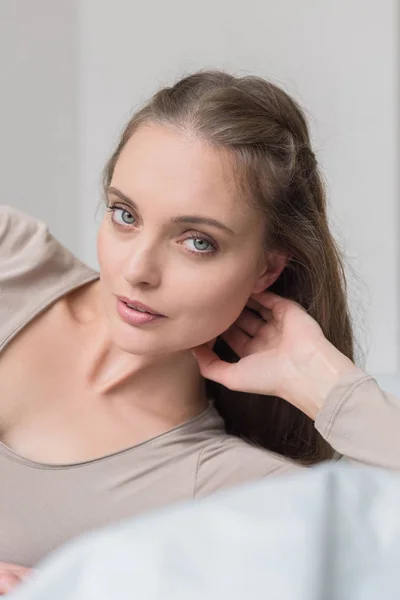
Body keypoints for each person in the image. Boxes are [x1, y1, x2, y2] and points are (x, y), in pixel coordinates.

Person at [1, 69, 400, 593]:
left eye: (197, 242)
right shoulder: (12, 259)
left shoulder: (235, 493)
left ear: (266, 270)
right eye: (125, 215)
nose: (138, 269)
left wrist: (325, 384)